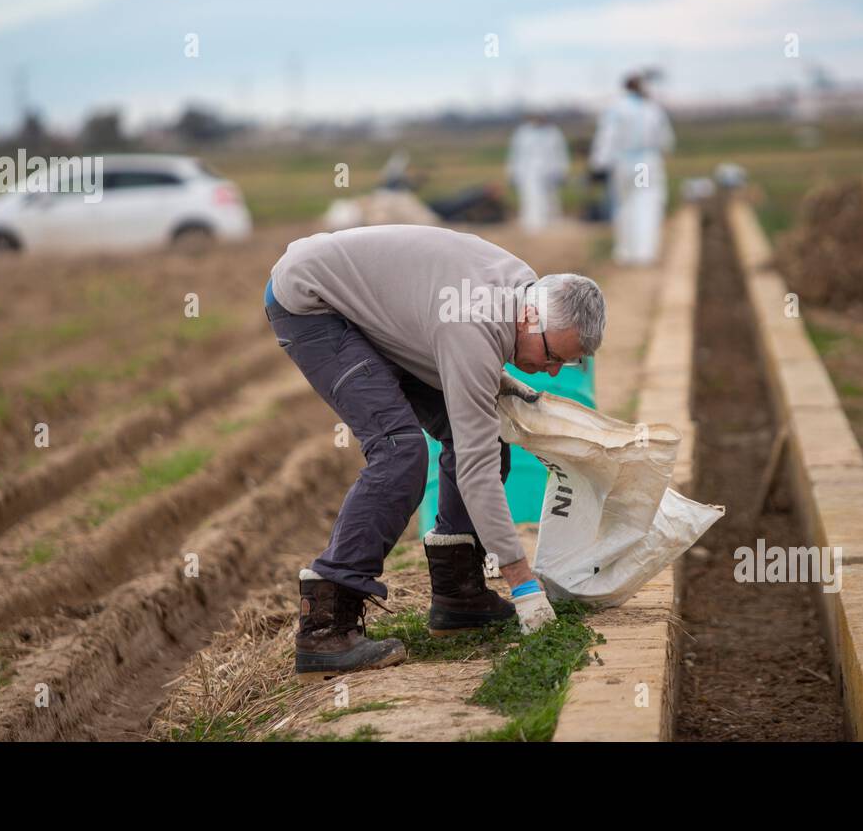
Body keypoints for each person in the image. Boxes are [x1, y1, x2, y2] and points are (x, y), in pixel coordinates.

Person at [264, 226, 607, 680]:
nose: (553, 370)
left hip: (380, 311)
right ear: (530, 318)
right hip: (313, 301)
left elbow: (448, 343)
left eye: (566, 364)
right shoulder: (474, 327)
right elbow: (475, 467)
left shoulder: (523, 289)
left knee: (489, 439)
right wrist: (521, 580)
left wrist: (497, 381)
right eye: (552, 356)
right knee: (399, 451)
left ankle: (458, 597)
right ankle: (325, 627)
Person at [588, 74, 676, 265]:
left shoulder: (615, 109)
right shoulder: (652, 109)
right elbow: (666, 141)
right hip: (643, 164)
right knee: (644, 203)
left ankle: (625, 251)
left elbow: (606, 138)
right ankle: (643, 252)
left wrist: (598, 164)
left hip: (622, 164)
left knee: (623, 205)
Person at [507, 115, 569, 232]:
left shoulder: (553, 132)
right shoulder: (522, 133)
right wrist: (512, 172)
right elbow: (515, 154)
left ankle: (552, 221)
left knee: (551, 197)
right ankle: (533, 223)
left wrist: (562, 170)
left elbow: (561, 153)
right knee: (531, 196)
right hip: (528, 170)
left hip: (550, 169)